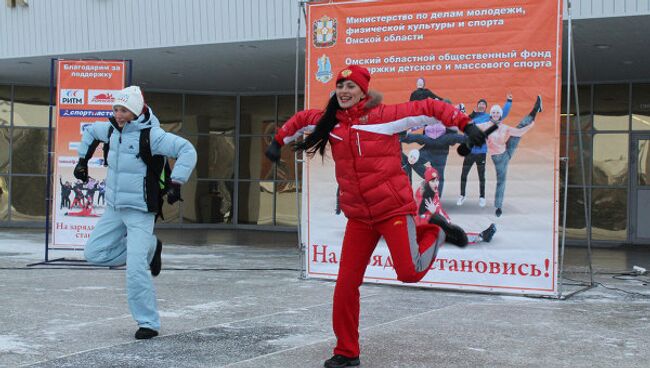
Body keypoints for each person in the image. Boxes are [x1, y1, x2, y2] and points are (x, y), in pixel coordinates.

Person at [264, 65, 486, 368]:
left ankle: (437, 231)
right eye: (340, 85)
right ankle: (347, 351)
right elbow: (302, 120)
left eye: (350, 86)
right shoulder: (330, 123)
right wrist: (278, 142)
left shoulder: (384, 118)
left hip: (392, 210)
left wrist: (466, 124)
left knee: (408, 272)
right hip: (359, 218)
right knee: (345, 284)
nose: (344, 91)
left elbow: (430, 107)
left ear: (363, 91)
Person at [74, 86, 197, 340]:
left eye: (124, 110)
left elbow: (187, 150)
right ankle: (150, 247)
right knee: (94, 253)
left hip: (141, 210)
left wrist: (176, 182)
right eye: (116, 109)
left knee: (135, 268)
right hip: (114, 208)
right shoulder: (109, 129)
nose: (119, 114)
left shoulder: (153, 136)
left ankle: (148, 322)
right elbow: (89, 133)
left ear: (137, 109)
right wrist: (81, 162)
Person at [488, 95, 542, 217]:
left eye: (498, 112)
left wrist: (530, 126)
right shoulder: (486, 126)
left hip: (506, 150)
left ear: (500, 115)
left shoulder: (504, 127)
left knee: (519, 128)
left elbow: (518, 132)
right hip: (499, 159)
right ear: (491, 114)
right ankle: (498, 207)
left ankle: (535, 110)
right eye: (494, 112)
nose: (496, 114)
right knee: (501, 181)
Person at [415, 166, 496, 245]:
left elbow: (438, 208)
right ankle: (481, 237)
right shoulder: (425, 195)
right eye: (432, 181)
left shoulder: (434, 191)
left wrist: (446, 219)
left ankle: (480, 236)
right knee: (456, 235)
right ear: (427, 181)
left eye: (437, 180)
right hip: (425, 229)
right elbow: (421, 218)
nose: (436, 183)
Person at [458, 95, 512, 208]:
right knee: (464, 174)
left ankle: (482, 197)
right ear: (477, 106)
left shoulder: (489, 117)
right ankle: (462, 195)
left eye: (483, 104)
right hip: (469, 151)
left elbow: (503, 113)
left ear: (486, 107)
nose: (481, 105)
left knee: (481, 176)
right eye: (480, 104)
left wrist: (509, 101)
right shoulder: (471, 118)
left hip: (481, 152)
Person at [401, 123, 466, 196]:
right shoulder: (427, 116)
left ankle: (436, 197)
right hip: (428, 147)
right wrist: (409, 129)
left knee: (439, 175)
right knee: (413, 160)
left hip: (441, 149)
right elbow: (418, 124)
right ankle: (430, 177)